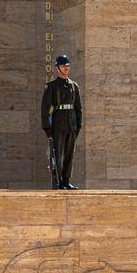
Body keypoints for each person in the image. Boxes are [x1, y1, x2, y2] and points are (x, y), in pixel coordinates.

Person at [40, 53, 83, 189]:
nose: (66, 68)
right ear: (57, 68)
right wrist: (46, 127)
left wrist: (79, 124)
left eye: (67, 66)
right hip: (58, 123)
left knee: (69, 154)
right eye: (63, 66)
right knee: (57, 154)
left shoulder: (74, 86)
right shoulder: (51, 86)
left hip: (71, 124)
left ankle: (66, 180)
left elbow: (78, 107)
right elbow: (45, 108)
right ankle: (58, 181)